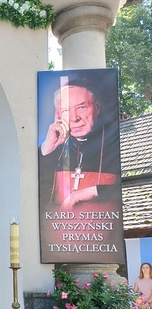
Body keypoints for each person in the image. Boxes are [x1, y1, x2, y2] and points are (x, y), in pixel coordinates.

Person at [39, 78, 120, 210]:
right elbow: (36, 195)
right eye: (65, 111)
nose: (74, 118)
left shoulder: (114, 141)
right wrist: (47, 149)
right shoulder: (54, 149)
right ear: (58, 115)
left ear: (97, 107)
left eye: (81, 107)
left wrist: (93, 191)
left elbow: (131, 186)